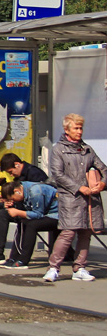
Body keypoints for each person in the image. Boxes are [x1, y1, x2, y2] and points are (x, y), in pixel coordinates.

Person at [44, 113, 106, 282]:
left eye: (81, 128)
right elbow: (58, 174)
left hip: (90, 199)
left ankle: (80, 268)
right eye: (76, 128)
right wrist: (79, 187)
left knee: (86, 232)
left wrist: (102, 184)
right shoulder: (58, 149)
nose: (79, 131)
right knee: (68, 232)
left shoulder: (87, 149)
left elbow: (103, 168)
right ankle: (53, 268)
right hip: (70, 198)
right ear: (66, 129)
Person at [0, 179, 60, 270]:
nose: (13, 200)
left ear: (17, 191)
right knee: (22, 221)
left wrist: (18, 212)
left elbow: (38, 214)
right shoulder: (22, 189)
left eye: (12, 198)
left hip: (57, 216)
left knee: (31, 225)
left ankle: (23, 260)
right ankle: (14, 257)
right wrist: (11, 206)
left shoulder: (35, 191)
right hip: (46, 214)